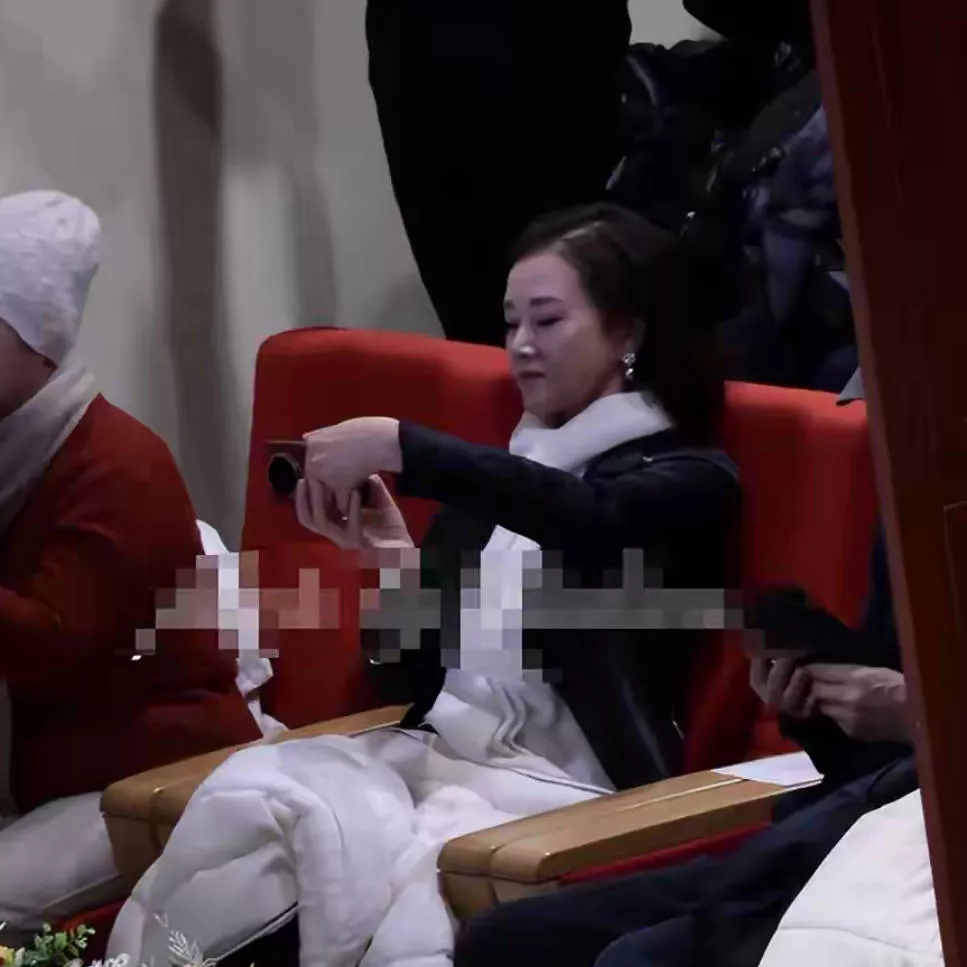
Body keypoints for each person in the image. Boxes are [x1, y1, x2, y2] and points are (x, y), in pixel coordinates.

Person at [108, 204, 741, 967]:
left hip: (568, 786)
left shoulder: (688, 480)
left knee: (363, 871)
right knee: (254, 805)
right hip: (435, 753)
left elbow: (591, 519)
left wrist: (401, 444)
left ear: (628, 332)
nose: (521, 345)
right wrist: (394, 564)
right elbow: (404, 676)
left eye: (546, 320)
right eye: (510, 323)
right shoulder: (502, 481)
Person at [453, 487, 913, 964]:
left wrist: (912, 713)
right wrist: (817, 706)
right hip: (838, 820)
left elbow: (594, 514)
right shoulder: (909, 496)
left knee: (635, 959)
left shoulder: (689, 475)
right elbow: (879, 750)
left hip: (903, 855)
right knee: (504, 939)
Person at [0, 191, 261, 940]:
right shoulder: (19, 447)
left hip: (152, 778)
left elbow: (45, 648)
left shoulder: (117, 465)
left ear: (38, 342)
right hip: (50, 768)